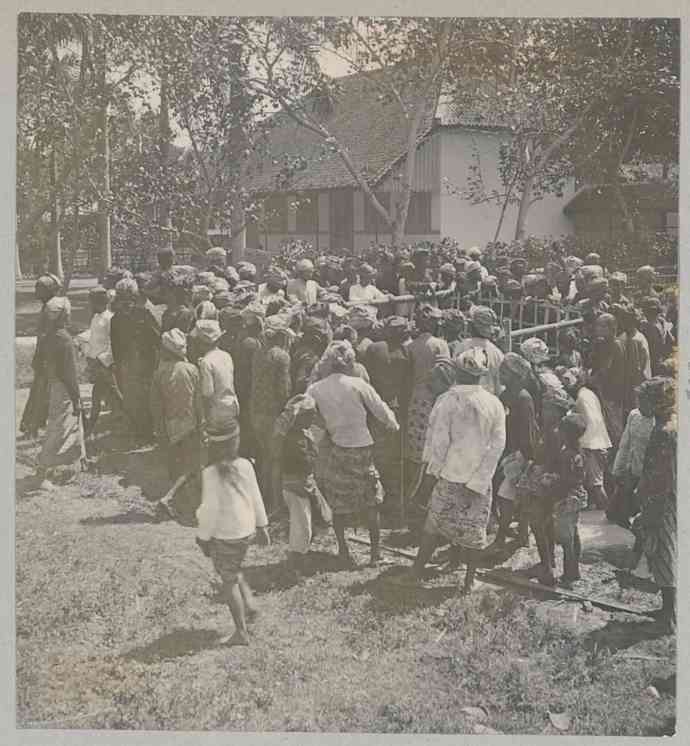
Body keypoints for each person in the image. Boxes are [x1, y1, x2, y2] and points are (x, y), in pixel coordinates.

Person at [399, 347, 505, 592]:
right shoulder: (494, 403)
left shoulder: (446, 400)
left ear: (457, 371)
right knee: (474, 528)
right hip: (479, 477)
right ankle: (469, 581)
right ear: (481, 374)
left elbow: (438, 444)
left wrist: (430, 478)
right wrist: (480, 479)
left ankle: (417, 571)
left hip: (449, 473)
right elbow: (497, 446)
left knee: (434, 524)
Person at [307, 341, 399, 566]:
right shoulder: (358, 384)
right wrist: (393, 425)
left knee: (338, 501)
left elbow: (309, 418)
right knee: (371, 500)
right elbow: (382, 411)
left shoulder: (315, 389)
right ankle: (375, 554)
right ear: (349, 362)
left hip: (337, 446)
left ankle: (344, 551)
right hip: (362, 447)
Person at [196, 450, 270, 646]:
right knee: (232, 567)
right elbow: (256, 494)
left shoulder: (211, 472)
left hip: (224, 534)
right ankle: (250, 604)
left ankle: (241, 633)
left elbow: (209, 509)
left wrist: (202, 537)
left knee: (228, 581)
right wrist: (262, 525)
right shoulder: (245, 464)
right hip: (246, 530)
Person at [632, 376, 676, 632]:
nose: (639, 404)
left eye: (643, 399)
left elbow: (662, 475)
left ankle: (669, 616)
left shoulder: (664, 433)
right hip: (665, 496)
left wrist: (650, 502)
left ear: (656, 402)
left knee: (664, 553)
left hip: (663, 498)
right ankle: (667, 609)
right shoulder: (666, 425)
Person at [151, 329, 205, 523]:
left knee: (177, 464)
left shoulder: (159, 373)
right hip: (189, 421)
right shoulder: (192, 370)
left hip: (169, 423)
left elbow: (156, 405)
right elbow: (198, 401)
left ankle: (176, 502)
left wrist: (159, 428)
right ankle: (170, 499)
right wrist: (202, 423)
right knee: (192, 464)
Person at [272, 394, 328, 575]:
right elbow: (303, 463)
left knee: (313, 519)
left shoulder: (300, 434)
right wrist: (314, 455)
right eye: (310, 414)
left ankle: (300, 555)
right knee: (301, 524)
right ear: (300, 417)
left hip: (302, 483)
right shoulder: (294, 440)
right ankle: (297, 563)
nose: (314, 417)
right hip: (297, 486)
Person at [35, 297, 85, 490]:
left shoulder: (49, 335)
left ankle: (69, 466)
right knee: (58, 430)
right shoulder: (63, 339)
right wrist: (76, 398)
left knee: (64, 428)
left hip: (53, 384)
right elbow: (69, 375)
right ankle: (43, 472)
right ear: (63, 315)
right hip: (63, 388)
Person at [495, 353, 540, 547]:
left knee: (509, 496)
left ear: (515, 376)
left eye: (505, 371)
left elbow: (528, 431)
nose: (500, 374)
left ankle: (505, 537)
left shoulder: (523, 399)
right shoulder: (505, 395)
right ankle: (519, 534)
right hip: (508, 449)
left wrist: (527, 458)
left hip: (520, 452)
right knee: (512, 496)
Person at [249, 314, 293, 509]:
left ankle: (262, 498)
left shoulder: (259, 352)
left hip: (257, 410)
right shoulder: (281, 356)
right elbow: (284, 390)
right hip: (272, 413)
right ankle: (275, 504)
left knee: (265, 456)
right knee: (276, 459)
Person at [404, 305, 450, 491]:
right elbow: (445, 374)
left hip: (416, 399)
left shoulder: (410, 346)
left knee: (416, 448)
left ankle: (413, 489)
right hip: (435, 398)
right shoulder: (440, 345)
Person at [110, 278, 160, 443]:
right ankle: (139, 431)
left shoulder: (144, 314)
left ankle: (148, 432)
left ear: (133, 296)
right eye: (122, 297)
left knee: (146, 398)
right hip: (128, 363)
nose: (125, 301)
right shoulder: (116, 319)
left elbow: (156, 339)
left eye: (128, 296)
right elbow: (115, 344)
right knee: (132, 398)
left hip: (145, 363)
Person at [561, 367, 611, 511]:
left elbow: (591, 420)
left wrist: (582, 442)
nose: (566, 385)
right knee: (594, 482)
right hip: (597, 441)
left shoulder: (583, 397)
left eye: (568, 381)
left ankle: (608, 514)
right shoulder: (587, 394)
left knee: (596, 484)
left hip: (592, 444)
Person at [20, 273, 63, 439]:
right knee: (40, 391)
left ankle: (34, 425)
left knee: (42, 391)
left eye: (39, 288)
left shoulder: (52, 308)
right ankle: (32, 425)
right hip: (44, 355)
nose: (35, 291)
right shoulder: (48, 306)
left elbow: (49, 336)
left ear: (48, 290)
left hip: (48, 355)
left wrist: (42, 357)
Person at [192, 319, 241, 459]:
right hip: (231, 407)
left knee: (216, 457)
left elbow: (207, 393)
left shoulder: (206, 362)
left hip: (216, 413)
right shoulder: (226, 355)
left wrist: (203, 422)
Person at [609, 382, 655, 529]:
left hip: (650, 474)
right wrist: (618, 469)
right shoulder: (634, 415)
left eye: (643, 401)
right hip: (633, 470)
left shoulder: (660, 423)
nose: (639, 405)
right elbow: (625, 445)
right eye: (638, 401)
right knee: (620, 513)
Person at [550, 413, 588, 587]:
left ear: (566, 433)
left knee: (566, 539)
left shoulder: (566, 454)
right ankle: (575, 571)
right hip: (578, 496)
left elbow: (565, 480)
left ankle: (569, 575)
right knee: (574, 534)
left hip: (567, 498)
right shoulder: (579, 451)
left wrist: (552, 480)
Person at [83, 286, 123, 437]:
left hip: (106, 364)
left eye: (92, 302)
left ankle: (129, 420)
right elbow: (93, 339)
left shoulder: (109, 318)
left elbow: (112, 342)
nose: (90, 305)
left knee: (115, 393)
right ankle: (91, 425)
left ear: (99, 302)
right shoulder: (95, 318)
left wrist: (104, 361)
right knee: (98, 393)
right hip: (97, 364)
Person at [589, 313, 626, 447]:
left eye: (602, 326)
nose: (597, 328)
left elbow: (605, 370)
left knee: (614, 426)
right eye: (597, 325)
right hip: (604, 390)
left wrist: (589, 380)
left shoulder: (615, 345)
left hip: (612, 393)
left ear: (611, 328)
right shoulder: (602, 343)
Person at [453, 306, 504, 396]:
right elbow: (499, 386)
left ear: (472, 326)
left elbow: (454, 377)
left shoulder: (462, 347)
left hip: (463, 399)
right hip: (488, 401)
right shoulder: (497, 353)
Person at [639, 296, 675, 377]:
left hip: (656, 361)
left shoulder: (654, 324)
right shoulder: (658, 323)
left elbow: (671, 340)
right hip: (656, 360)